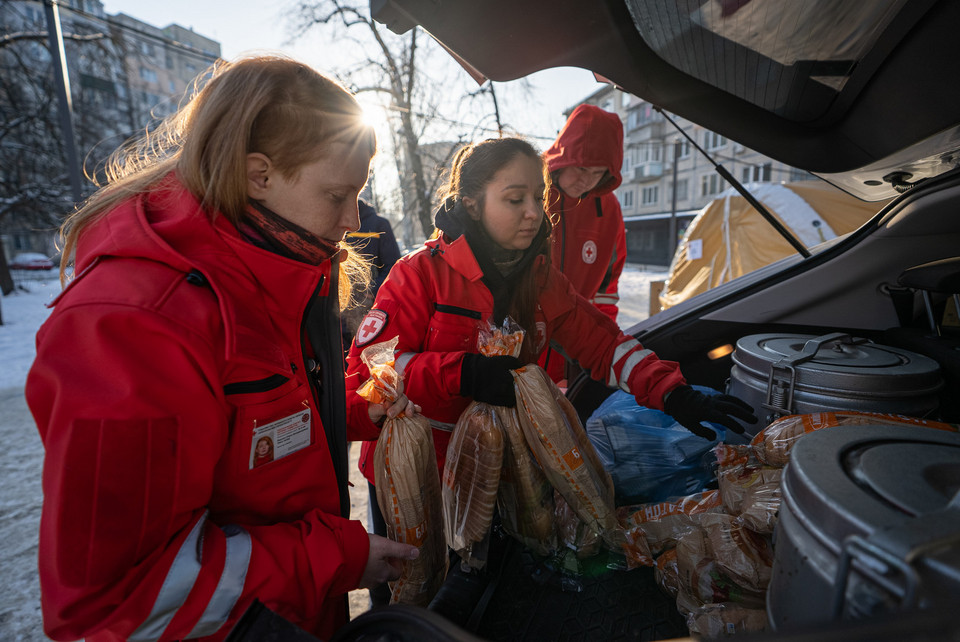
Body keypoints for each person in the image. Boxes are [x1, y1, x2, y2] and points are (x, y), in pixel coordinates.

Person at [25, 55, 420, 642]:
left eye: (357, 193)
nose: (353, 219)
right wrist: (335, 557)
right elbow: (121, 597)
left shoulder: (280, 260)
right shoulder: (133, 322)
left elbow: (265, 425)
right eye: (337, 193)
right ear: (257, 174)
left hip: (292, 615)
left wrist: (360, 410)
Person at [344, 137, 755, 576]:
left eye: (537, 198)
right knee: (411, 588)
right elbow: (370, 372)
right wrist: (462, 373)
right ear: (472, 202)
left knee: (481, 591)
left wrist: (673, 394)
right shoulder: (420, 274)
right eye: (514, 199)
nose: (532, 212)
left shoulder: (540, 278)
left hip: (496, 476)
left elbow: (603, 343)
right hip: (415, 474)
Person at [540, 104, 628, 384]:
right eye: (580, 168)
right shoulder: (530, 192)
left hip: (576, 346)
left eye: (597, 173)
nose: (585, 181)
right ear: (563, 156)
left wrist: (600, 349)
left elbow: (607, 286)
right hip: (524, 339)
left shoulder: (609, 208)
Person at [341, 198, 402, 353]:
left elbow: (393, 265)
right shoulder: (337, 224)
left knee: (370, 350)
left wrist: (372, 290)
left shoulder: (379, 224)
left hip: (370, 304)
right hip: (342, 305)